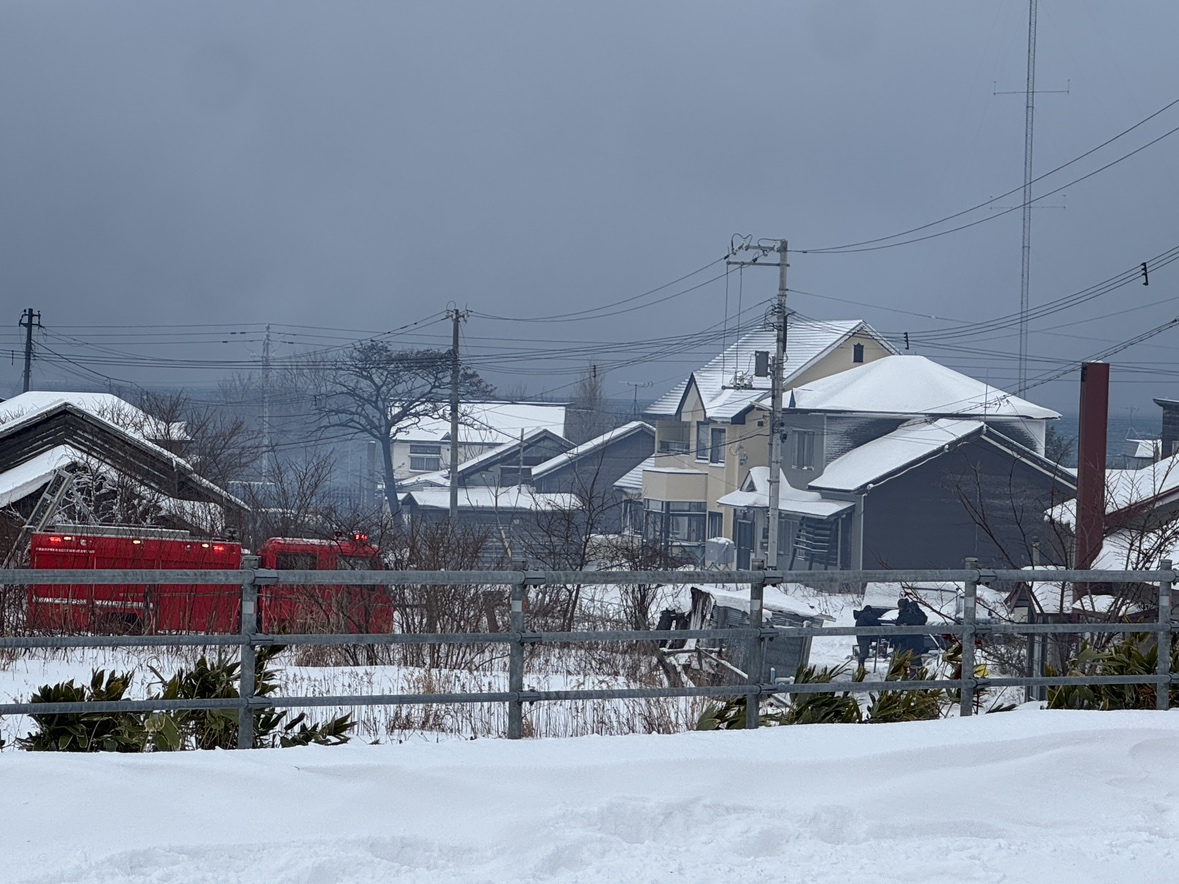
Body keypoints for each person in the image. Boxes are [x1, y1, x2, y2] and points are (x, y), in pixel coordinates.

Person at [894, 596, 929, 668]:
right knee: (915, 659)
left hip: (908, 640)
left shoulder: (906, 613)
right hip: (917, 639)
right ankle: (916, 676)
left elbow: (901, 622)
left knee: (908, 660)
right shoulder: (916, 611)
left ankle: (912, 676)